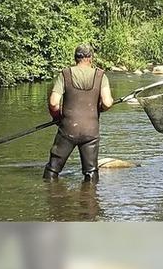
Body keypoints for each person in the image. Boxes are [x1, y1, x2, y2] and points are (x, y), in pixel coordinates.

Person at [43, 44, 114, 182]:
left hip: (67, 130)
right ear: (91, 58)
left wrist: (57, 118)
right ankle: (90, 199)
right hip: (91, 131)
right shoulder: (100, 76)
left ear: (75, 58)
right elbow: (107, 103)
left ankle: (50, 196)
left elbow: (53, 102)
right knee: (91, 171)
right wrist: (99, 109)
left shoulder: (65, 74)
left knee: (53, 169)